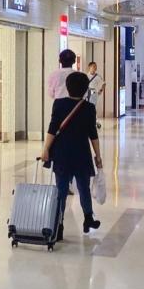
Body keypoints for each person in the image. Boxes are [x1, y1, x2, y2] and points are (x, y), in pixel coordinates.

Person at [40, 71, 103, 234]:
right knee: (84, 188)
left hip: (62, 154)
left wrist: (45, 149)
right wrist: (98, 156)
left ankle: (58, 225)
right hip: (82, 154)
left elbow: (52, 128)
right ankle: (88, 218)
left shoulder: (59, 104)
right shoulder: (89, 108)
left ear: (67, 88)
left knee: (61, 190)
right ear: (85, 89)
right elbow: (93, 135)